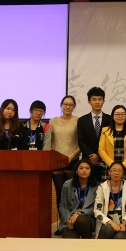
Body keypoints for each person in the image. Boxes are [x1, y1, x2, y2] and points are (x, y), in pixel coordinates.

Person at [46, 95, 81, 233]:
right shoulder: (53, 121)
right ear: (61, 105)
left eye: (71, 105)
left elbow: (81, 142)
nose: (68, 107)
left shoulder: (78, 121)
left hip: (73, 161)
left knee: (71, 192)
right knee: (60, 192)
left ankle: (73, 223)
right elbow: (49, 142)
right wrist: (57, 156)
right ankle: (63, 224)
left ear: (74, 107)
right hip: (56, 161)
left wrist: (70, 157)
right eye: (65, 104)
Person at [77, 87, 112, 182]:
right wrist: (91, 156)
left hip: (105, 160)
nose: (97, 102)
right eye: (94, 99)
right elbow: (81, 141)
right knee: (88, 186)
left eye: (100, 99)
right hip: (88, 161)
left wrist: (99, 155)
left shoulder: (110, 119)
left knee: (104, 187)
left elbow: (110, 141)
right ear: (89, 101)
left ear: (104, 101)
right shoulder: (82, 120)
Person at [98, 105, 126, 184]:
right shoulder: (105, 130)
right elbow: (101, 149)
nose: (120, 116)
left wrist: (123, 165)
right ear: (112, 116)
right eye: (117, 114)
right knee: (108, 189)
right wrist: (112, 165)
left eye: (123, 114)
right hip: (110, 166)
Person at [58, 158, 97, 239]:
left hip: (86, 219)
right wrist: (68, 220)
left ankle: (87, 240)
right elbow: (63, 205)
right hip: (69, 219)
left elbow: (95, 208)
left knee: (81, 220)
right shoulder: (67, 185)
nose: (84, 171)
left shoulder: (96, 186)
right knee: (70, 240)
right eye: (81, 168)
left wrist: (79, 213)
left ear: (91, 171)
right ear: (76, 171)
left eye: (87, 168)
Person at [94, 162, 126, 239]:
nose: (116, 173)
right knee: (108, 229)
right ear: (109, 172)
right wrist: (112, 223)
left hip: (123, 224)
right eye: (114, 170)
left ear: (123, 173)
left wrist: (124, 223)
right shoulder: (102, 187)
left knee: (119, 237)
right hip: (106, 223)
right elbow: (97, 211)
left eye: (119, 171)